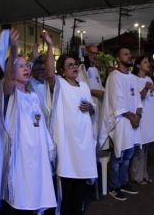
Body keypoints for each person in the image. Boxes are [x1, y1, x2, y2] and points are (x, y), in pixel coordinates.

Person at [0, 28, 56, 214]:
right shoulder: (8, 94)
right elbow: (8, 77)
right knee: (18, 205)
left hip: (36, 160)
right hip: (19, 162)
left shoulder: (32, 95)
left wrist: (49, 46)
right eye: (19, 65)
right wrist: (14, 48)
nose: (25, 68)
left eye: (26, 65)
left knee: (36, 202)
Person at [44, 32, 97, 215]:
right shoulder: (59, 84)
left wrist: (90, 107)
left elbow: (92, 112)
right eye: (69, 65)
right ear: (62, 71)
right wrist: (50, 46)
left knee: (80, 189)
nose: (74, 67)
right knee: (67, 189)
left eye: (75, 64)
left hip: (83, 145)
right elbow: (49, 73)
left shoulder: (83, 86)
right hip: (67, 146)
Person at [99, 47, 142, 201]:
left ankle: (123, 182)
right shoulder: (114, 77)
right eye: (126, 54)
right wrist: (132, 117)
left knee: (129, 155)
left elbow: (137, 98)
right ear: (118, 58)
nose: (129, 56)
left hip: (132, 121)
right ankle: (114, 186)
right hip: (120, 122)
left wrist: (138, 114)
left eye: (130, 54)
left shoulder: (132, 77)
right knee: (118, 156)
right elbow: (117, 102)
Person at [130, 56, 154, 185]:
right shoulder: (134, 79)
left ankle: (144, 174)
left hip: (151, 117)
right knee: (139, 148)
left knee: (146, 147)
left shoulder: (148, 79)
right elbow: (136, 98)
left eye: (148, 62)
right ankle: (137, 176)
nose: (148, 64)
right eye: (145, 62)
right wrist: (147, 88)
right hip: (141, 118)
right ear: (138, 65)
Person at [78, 44, 105, 139]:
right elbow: (81, 88)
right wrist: (97, 93)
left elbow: (99, 86)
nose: (95, 56)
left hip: (98, 104)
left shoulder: (95, 70)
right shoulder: (82, 69)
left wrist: (105, 92)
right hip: (89, 105)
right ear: (87, 53)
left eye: (96, 53)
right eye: (92, 53)